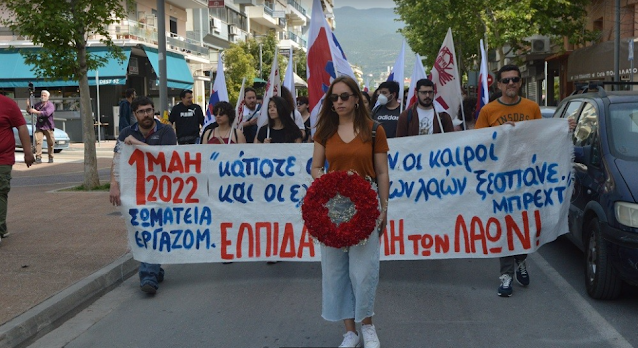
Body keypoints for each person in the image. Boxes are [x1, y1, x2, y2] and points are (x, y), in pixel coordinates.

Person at [311, 76, 389, 348]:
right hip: (334, 207)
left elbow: (381, 172)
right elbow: (316, 167)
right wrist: (327, 179)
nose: (339, 102)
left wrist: (384, 209)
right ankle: (349, 331)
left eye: (345, 96)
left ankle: (367, 325)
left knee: (364, 270)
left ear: (357, 98)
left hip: (365, 206)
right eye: (334, 98)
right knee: (336, 270)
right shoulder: (324, 130)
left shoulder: (374, 129)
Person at [474, 65, 546, 297]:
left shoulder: (532, 107)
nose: (511, 84)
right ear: (499, 85)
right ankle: (506, 276)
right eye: (506, 81)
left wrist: (564, 129)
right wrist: (498, 135)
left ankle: (521, 259)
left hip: (526, 178)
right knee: (504, 226)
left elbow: (541, 137)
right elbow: (478, 142)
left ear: (521, 82)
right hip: (499, 179)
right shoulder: (489, 110)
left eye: (515, 79)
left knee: (521, 225)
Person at [109, 96, 177, 295]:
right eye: (141, 111)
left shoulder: (166, 131)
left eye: (149, 110)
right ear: (135, 114)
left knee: (154, 229)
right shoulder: (125, 133)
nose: (146, 114)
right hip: (136, 191)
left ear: (153, 110)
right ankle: (153, 271)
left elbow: (166, 157)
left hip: (161, 191)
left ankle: (149, 274)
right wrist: (114, 184)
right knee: (145, 229)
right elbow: (117, 159)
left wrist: (137, 144)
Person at [0, 94, 35, 243]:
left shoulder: (7, 104)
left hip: (2, 158)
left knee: (0, 191)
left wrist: (28, 152)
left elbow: (21, 127)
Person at [27, 90, 55, 164]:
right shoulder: (38, 105)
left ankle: (51, 157)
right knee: (38, 141)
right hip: (39, 126)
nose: (43, 97)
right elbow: (30, 111)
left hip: (48, 126)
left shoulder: (50, 105)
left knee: (51, 143)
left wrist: (35, 111)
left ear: (48, 97)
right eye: (42, 95)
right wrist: (28, 106)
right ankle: (38, 157)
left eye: (44, 95)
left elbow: (46, 113)